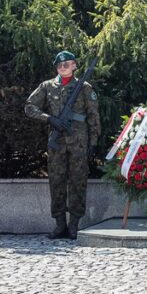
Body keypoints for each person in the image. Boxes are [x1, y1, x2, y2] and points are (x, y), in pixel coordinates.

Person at [24, 50, 101, 239]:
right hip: (57, 142)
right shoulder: (47, 86)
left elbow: (93, 117)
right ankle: (59, 225)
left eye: (66, 64)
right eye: (59, 65)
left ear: (75, 65)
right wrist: (49, 119)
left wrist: (93, 142)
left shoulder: (84, 88)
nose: (62, 67)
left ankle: (74, 224)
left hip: (78, 143)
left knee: (78, 182)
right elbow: (29, 107)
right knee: (56, 183)